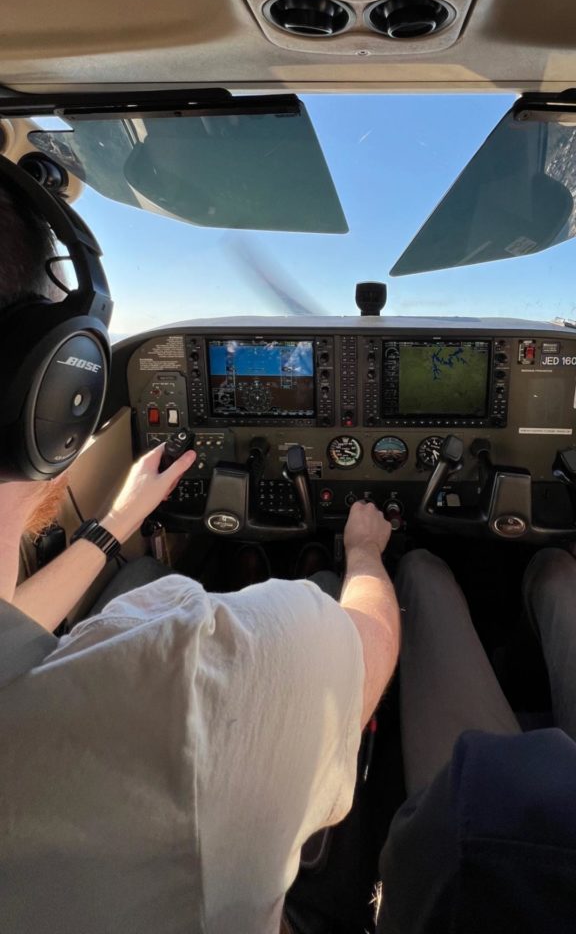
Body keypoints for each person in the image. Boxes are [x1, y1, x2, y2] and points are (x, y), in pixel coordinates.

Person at [0, 176, 401, 934]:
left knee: (150, 567)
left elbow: (13, 625)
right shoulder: (182, 677)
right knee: (336, 582)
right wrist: (365, 554)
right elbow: (372, 647)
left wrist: (119, 520)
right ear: (52, 391)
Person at [376, 547, 576, 934]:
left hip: (492, 846)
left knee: (422, 574)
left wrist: (364, 554)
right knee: (559, 573)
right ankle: (507, 668)